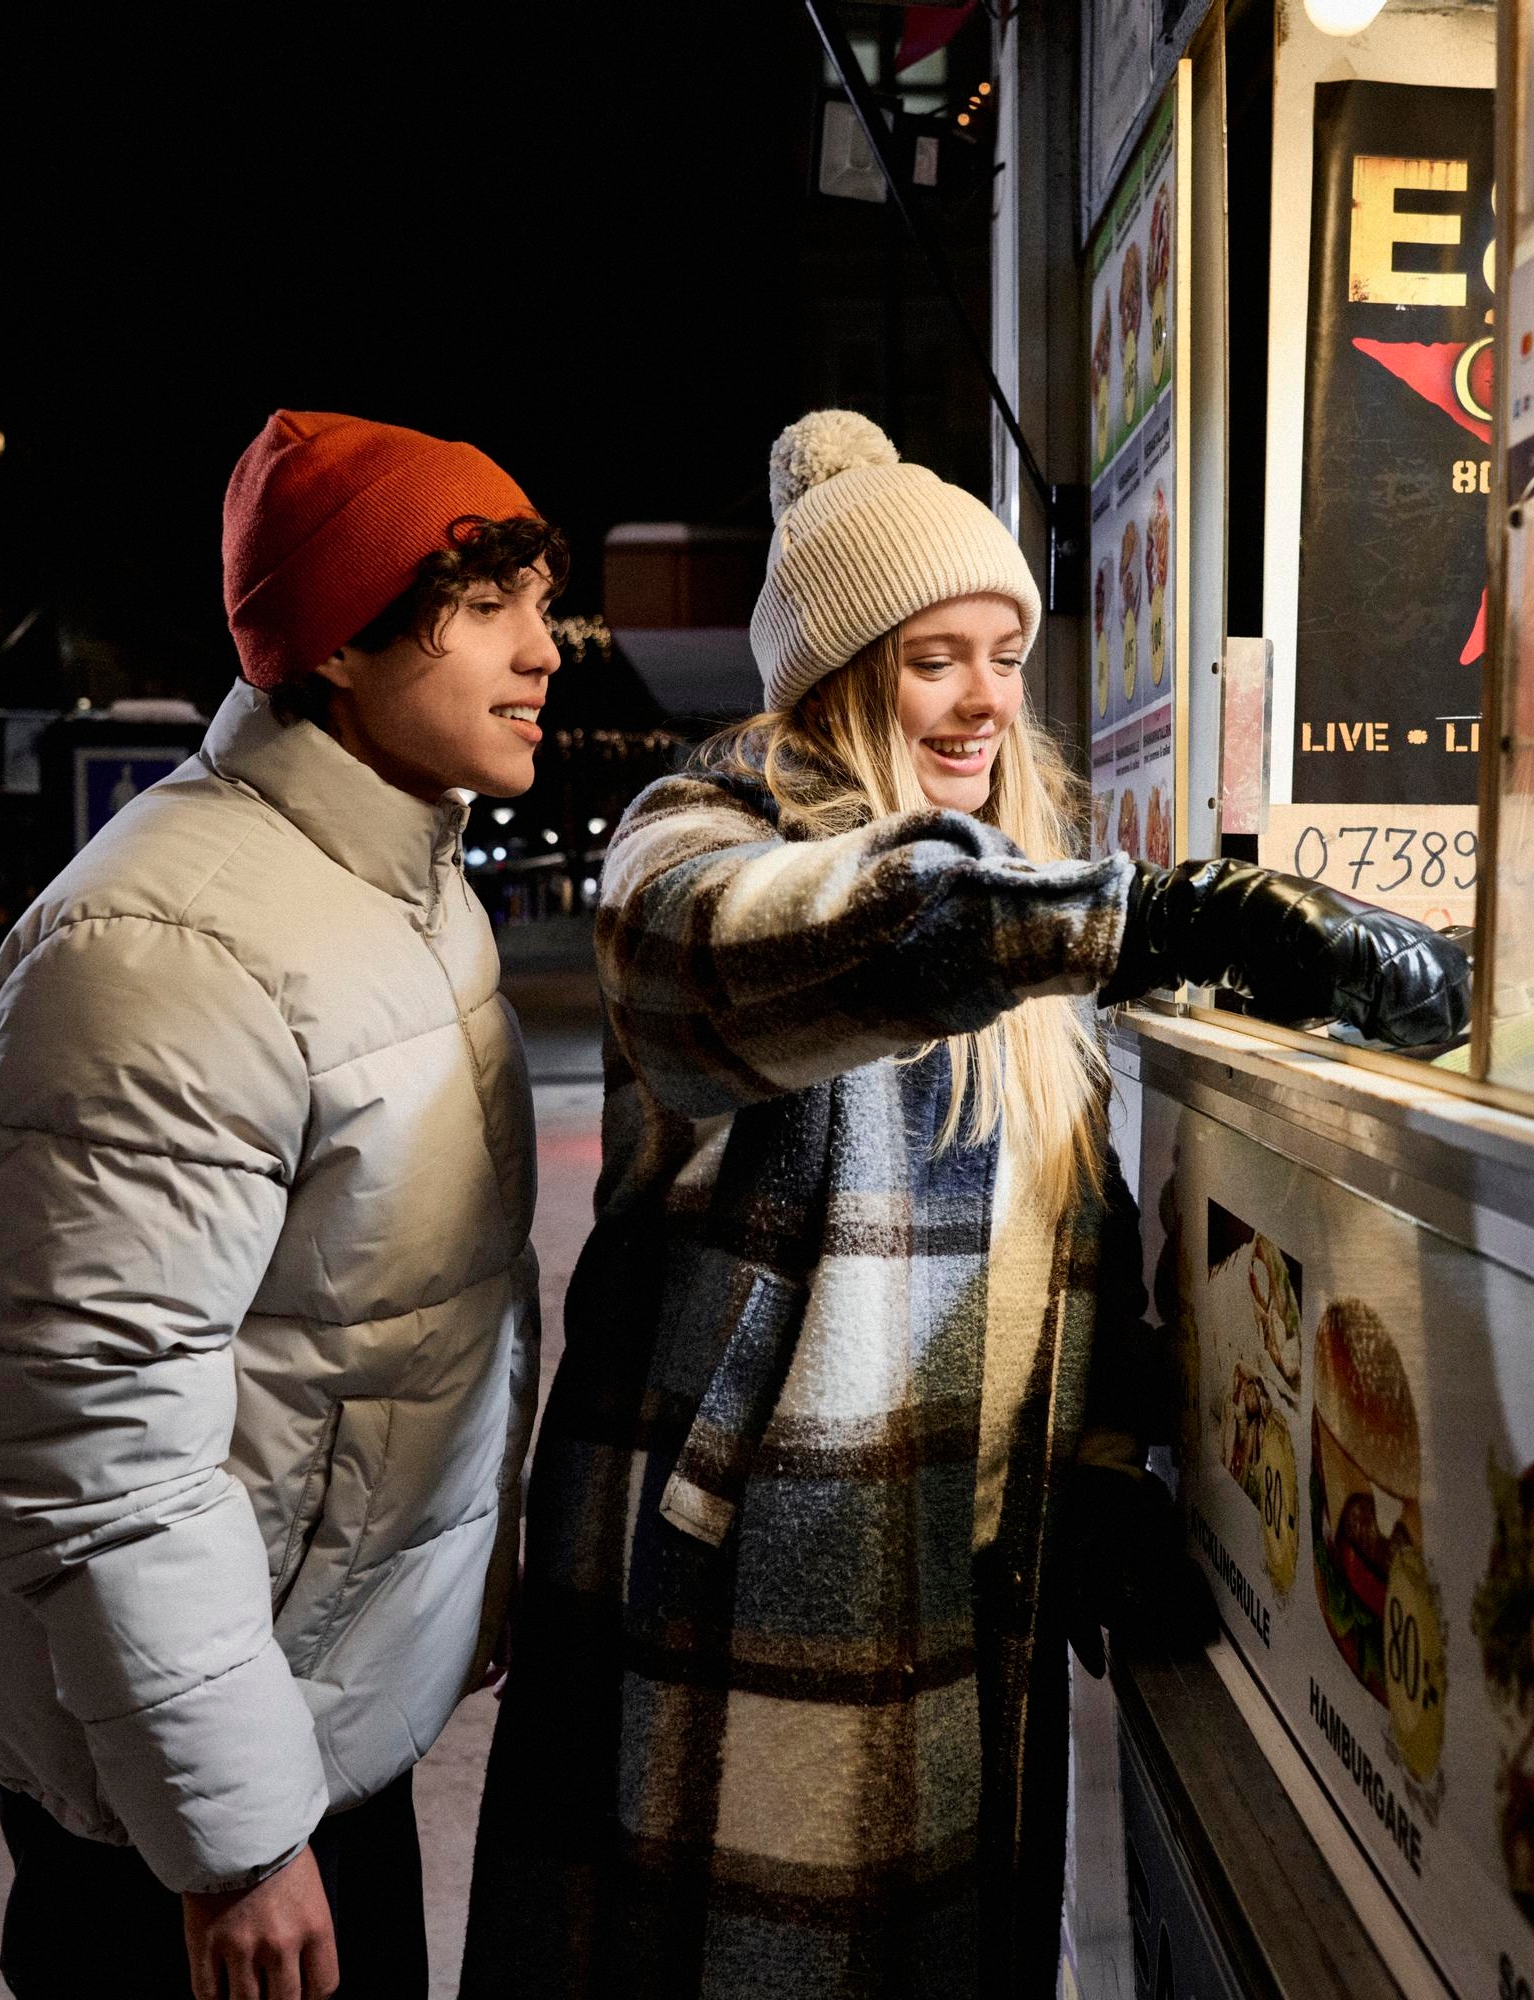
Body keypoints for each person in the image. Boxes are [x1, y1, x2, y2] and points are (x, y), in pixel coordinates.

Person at [460, 411, 1468, 1998]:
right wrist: (1154, 918)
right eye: (936, 657)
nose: (985, 696)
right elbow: (786, 935)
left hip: (958, 1578)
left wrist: (1106, 1452)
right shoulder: (706, 836)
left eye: (1005, 652)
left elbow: (1072, 1214)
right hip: (741, 1597)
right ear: (847, 675)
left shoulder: (1017, 882)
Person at [0, 410, 562, 2000]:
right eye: (492, 607)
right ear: (342, 641)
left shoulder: (398, 885)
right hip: (178, 1790)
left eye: (543, 603)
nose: (546, 651)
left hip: (305, 1704)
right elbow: (88, 1434)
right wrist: (238, 1840)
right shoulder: (166, 946)